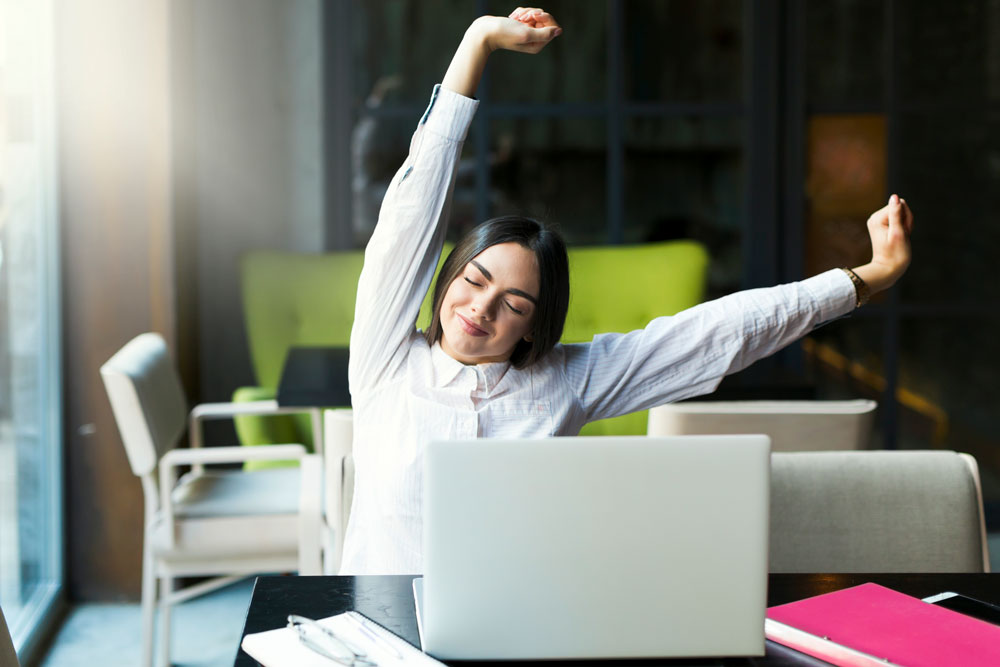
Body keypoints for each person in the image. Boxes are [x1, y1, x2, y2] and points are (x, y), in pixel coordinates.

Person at [343, 7, 914, 575]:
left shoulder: (564, 381)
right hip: (377, 641)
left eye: (514, 305)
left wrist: (866, 279)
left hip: (517, 634)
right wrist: (479, 42)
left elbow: (718, 333)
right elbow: (410, 215)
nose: (481, 308)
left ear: (532, 328)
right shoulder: (387, 361)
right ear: (450, 276)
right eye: (473, 280)